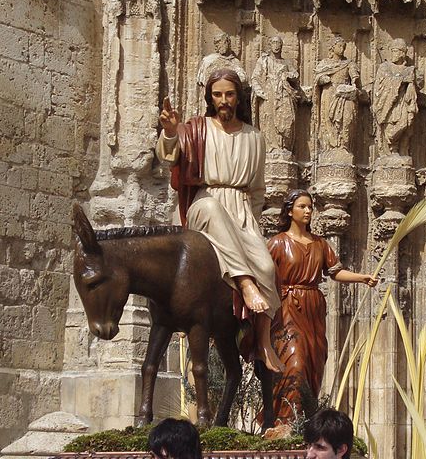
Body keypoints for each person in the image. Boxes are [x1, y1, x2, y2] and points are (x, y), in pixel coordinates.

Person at [156, 68, 283, 373]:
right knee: (212, 208)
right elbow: (167, 158)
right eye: (217, 95)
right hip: (204, 202)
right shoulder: (196, 129)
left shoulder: (254, 137)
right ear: (209, 98)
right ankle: (244, 281)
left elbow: (256, 190)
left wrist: (250, 224)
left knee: (266, 267)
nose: (223, 100)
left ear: (238, 97)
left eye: (229, 94)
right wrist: (172, 132)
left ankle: (263, 341)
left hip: (239, 209)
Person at [268, 189, 377, 422]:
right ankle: (286, 422)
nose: (308, 211)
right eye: (302, 207)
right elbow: (263, 273)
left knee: (313, 365)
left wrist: (362, 277)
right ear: (289, 211)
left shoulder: (320, 244)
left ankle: (305, 421)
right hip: (287, 307)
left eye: (310, 207)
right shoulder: (277, 243)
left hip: (314, 309)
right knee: (294, 363)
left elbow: (335, 272)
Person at [251, 36, 303, 152]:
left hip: (284, 93)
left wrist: (288, 75)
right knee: (269, 120)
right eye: (273, 42)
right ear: (270, 45)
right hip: (268, 93)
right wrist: (260, 92)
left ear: (281, 45)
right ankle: (271, 147)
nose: (276, 45)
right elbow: (255, 78)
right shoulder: (263, 60)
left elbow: (295, 75)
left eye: (278, 43)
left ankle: (284, 146)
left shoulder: (286, 62)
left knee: (287, 120)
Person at [372, 38, 418, 156]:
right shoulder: (385, 67)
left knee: (404, 124)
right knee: (390, 127)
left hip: (402, 102)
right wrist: (401, 80)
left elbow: (413, 86)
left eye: (396, 51)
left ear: (403, 53)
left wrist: (412, 82)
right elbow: (381, 84)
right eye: (392, 51)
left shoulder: (409, 69)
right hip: (388, 104)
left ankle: (398, 149)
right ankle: (392, 150)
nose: (393, 54)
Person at [314, 36, 360, 152]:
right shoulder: (325, 63)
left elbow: (354, 77)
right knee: (328, 120)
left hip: (343, 95)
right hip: (329, 92)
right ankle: (330, 147)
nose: (342, 49)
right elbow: (317, 77)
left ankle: (343, 145)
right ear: (333, 47)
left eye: (344, 47)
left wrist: (354, 81)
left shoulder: (348, 63)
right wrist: (322, 79)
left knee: (346, 119)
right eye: (339, 46)